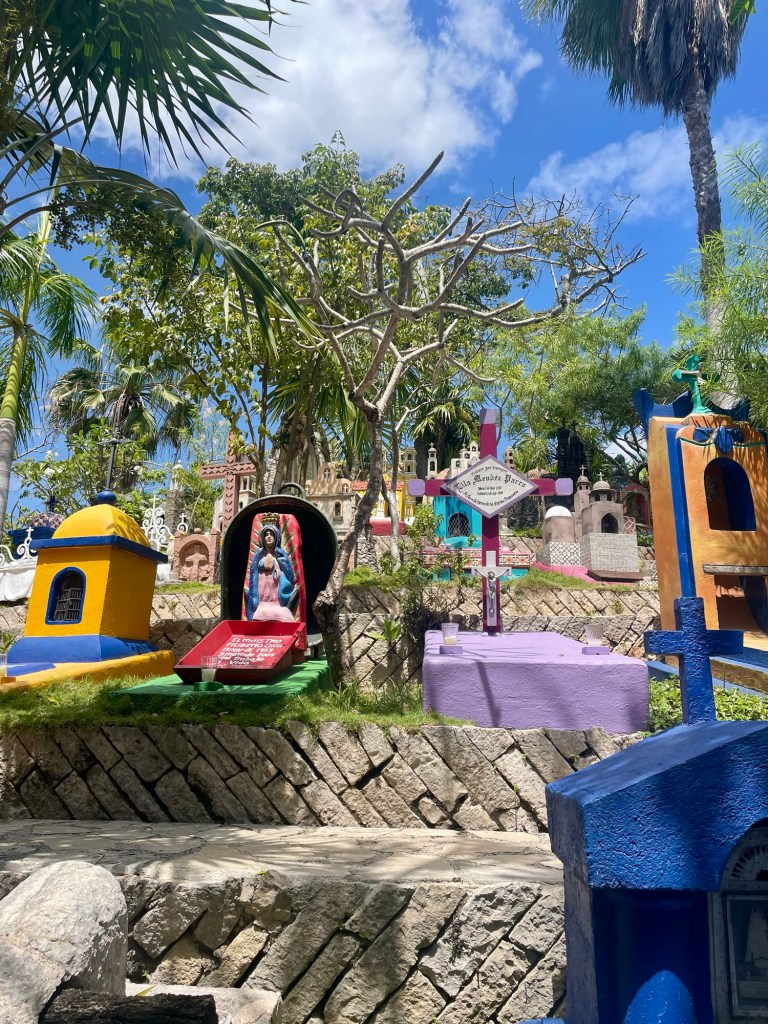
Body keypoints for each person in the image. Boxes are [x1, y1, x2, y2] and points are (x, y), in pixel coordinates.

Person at [245, 518, 298, 622]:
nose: (268, 537)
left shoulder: (280, 554)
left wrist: (278, 562)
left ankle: (281, 610)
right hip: (261, 588)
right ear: (262, 538)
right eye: (266, 534)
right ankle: (259, 610)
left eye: (271, 534)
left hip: (276, 589)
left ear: (276, 536)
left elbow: (289, 573)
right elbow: (254, 570)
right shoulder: (258, 555)